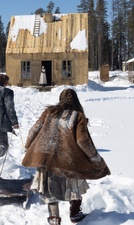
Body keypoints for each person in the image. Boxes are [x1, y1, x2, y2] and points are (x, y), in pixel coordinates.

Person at [21, 88, 110, 225]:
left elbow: (34, 130)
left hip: (46, 159)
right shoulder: (77, 115)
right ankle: (75, 213)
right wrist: (95, 158)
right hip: (67, 160)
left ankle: (54, 218)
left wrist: (29, 147)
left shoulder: (49, 112)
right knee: (75, 185)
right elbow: (82, 141)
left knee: (48, 189)